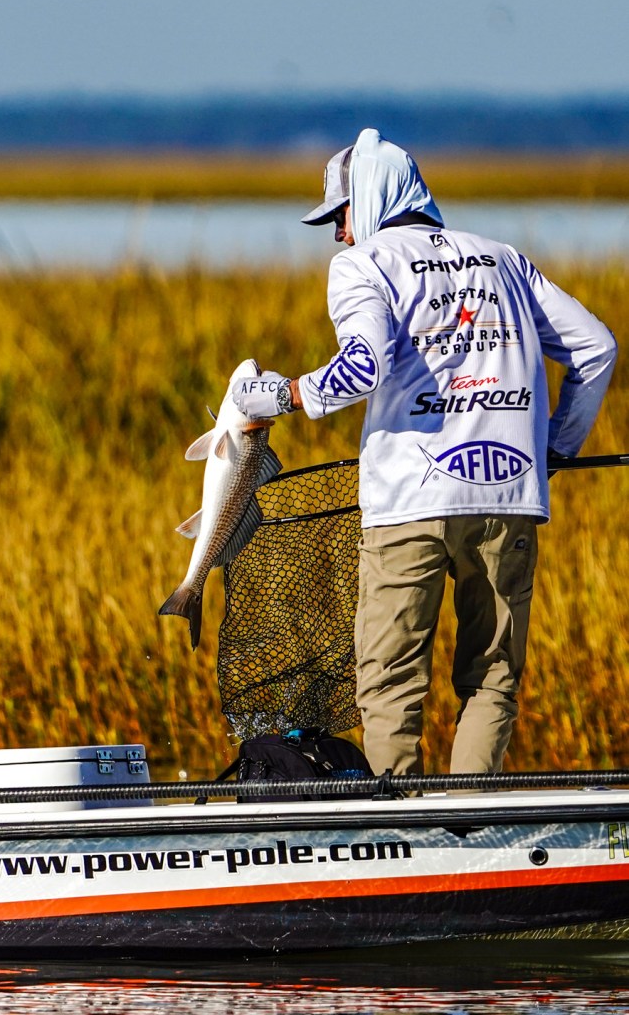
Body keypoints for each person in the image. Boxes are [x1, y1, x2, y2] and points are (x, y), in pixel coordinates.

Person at [231, 127, 617, 777]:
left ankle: (401, 821)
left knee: (389, 681)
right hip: (509, 497)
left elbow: (362, 367)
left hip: (408, 503)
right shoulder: (503, 258)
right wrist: (554, 448)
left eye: (340, 215)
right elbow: (596, 347)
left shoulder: (365, 264)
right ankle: (468, 818)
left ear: (371, 197)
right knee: (492, 677)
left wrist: (282, 395)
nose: (339, 234)